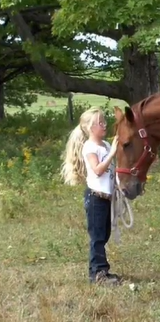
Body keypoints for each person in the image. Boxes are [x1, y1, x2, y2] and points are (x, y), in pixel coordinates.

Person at [61, 106, 121, 285]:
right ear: (89, 128)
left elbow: (110, 171)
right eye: (100, 122)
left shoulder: (106, 145)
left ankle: (99, 271)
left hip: (106, 197)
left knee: (104, 234)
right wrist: (112, 154)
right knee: (97, 237)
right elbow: (97, 170)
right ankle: (98, 274)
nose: (104, 125)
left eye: (104, 121)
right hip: (95, 198)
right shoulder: (90, 147)